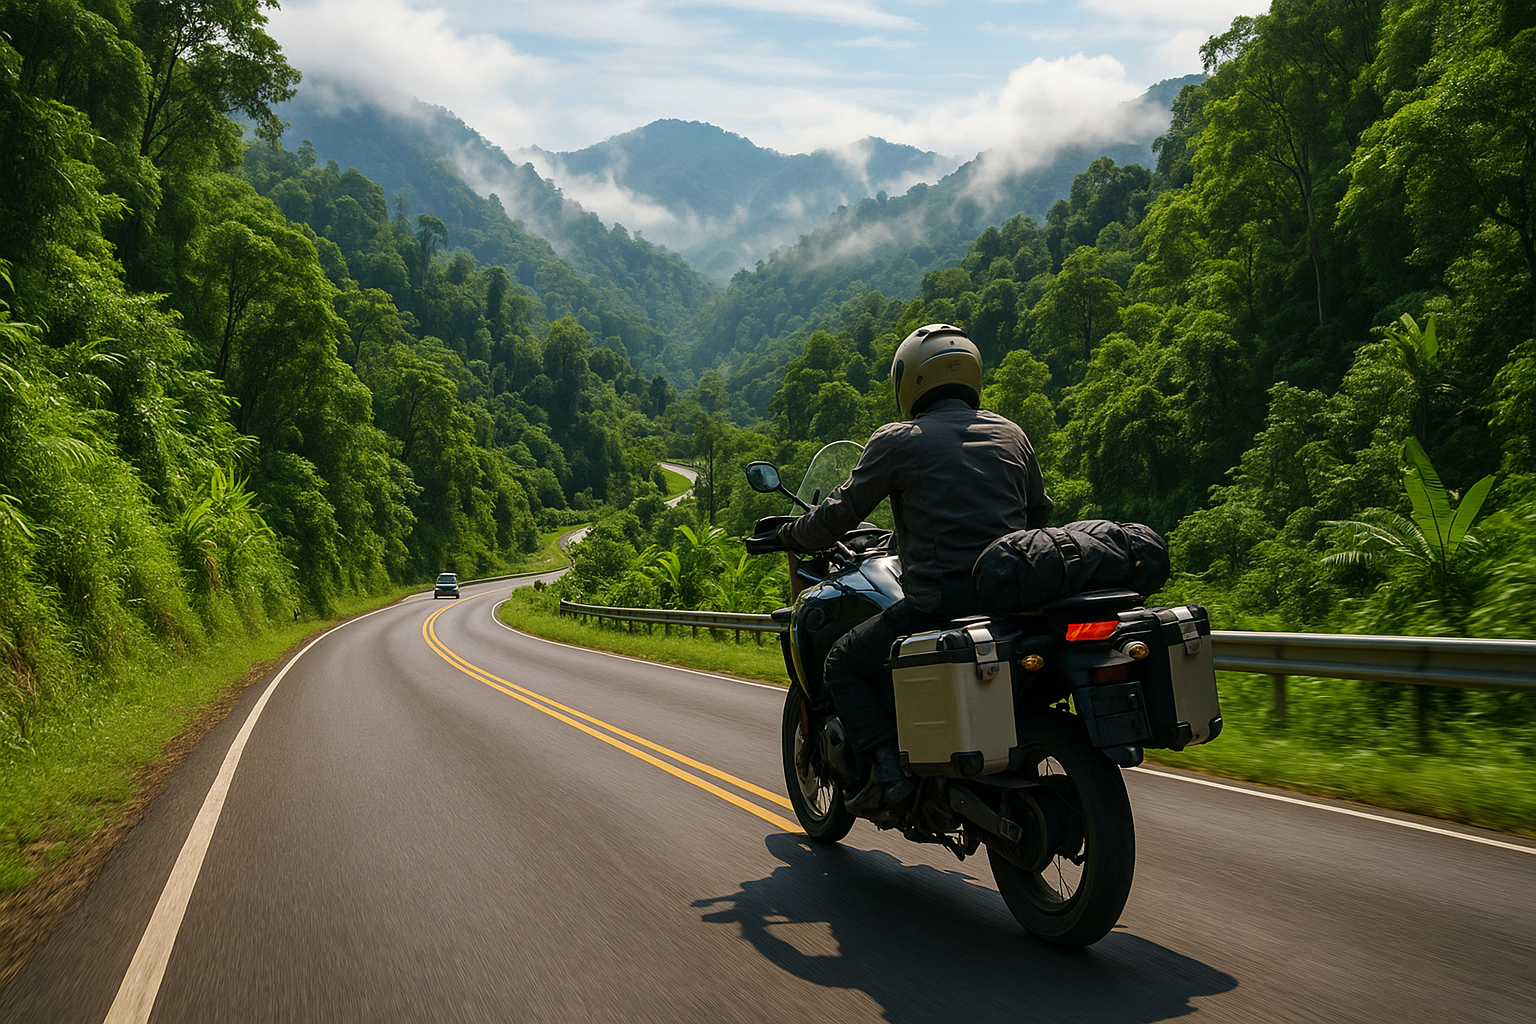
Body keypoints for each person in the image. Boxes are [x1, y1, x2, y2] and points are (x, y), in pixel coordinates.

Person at [756, 324, 1053, 814]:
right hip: (1012, 603)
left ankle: (886, 772)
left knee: (843, 663)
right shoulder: (1010, 433)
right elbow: (1038, 514)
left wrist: (788, 534)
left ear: (909, 379)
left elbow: (837, 517)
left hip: (939, 605)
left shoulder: (898, 440)